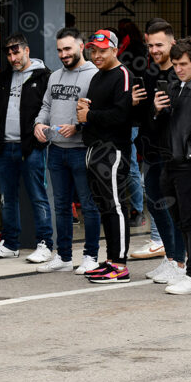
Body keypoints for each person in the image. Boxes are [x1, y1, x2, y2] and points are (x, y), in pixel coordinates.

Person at [148, 38, 191, 294]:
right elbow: (164, 124)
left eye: (184, 64)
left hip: (190, 163)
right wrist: (156, 110)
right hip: (170, 160)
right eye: (175, 64)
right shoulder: (175, 86)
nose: (178, 69)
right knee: (179, 218)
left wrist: (190, 151)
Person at [33, 28, 101, 275]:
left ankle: (91, 256)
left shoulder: (94, 75)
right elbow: (46, 105)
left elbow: (98, 113)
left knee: (89, 205)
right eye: (60, 50)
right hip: (56, 150)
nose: (63, 54)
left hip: (81, 151)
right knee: (61, 206)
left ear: (81, 47)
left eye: (68, 49)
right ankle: (63, 256)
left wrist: (79, 126)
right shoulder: (54, 77)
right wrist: (38, 123)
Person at [0, 33, 53, 263]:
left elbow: (51, 109)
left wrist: (39, 139)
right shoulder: (2, 79)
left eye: (16, 52)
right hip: (4, 149)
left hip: (30, 148)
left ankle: (45, 243)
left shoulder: (44, 77)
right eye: (9, 53)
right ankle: (10, 243)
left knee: (38, 195)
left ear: (26, 50)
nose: (12, 57)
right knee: (7, 198)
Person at [76, 30, 134, 283]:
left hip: (112, 150)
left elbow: (122, 116)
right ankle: (111, 260)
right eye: (93, 51)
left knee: (116, 206)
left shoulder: (122, 75)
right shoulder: (99, 76)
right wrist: (85, 110)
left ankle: (120, 265)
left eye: (102, 50)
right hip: (95, 149)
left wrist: (88, 115)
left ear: (115, 50)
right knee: (105, 206)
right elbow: (97, 111)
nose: (97, 55)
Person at [134, 20, 186, 280]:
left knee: (175, 207)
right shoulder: (148, 73)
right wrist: (138, 104)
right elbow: (142, 115)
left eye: (159, 45)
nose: (154, 50)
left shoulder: (182, 74)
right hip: (152, 150)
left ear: (172, 43)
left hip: (175, 153)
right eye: (150, 45)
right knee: (156, 204)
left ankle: (180, 264)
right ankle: (170, 257)